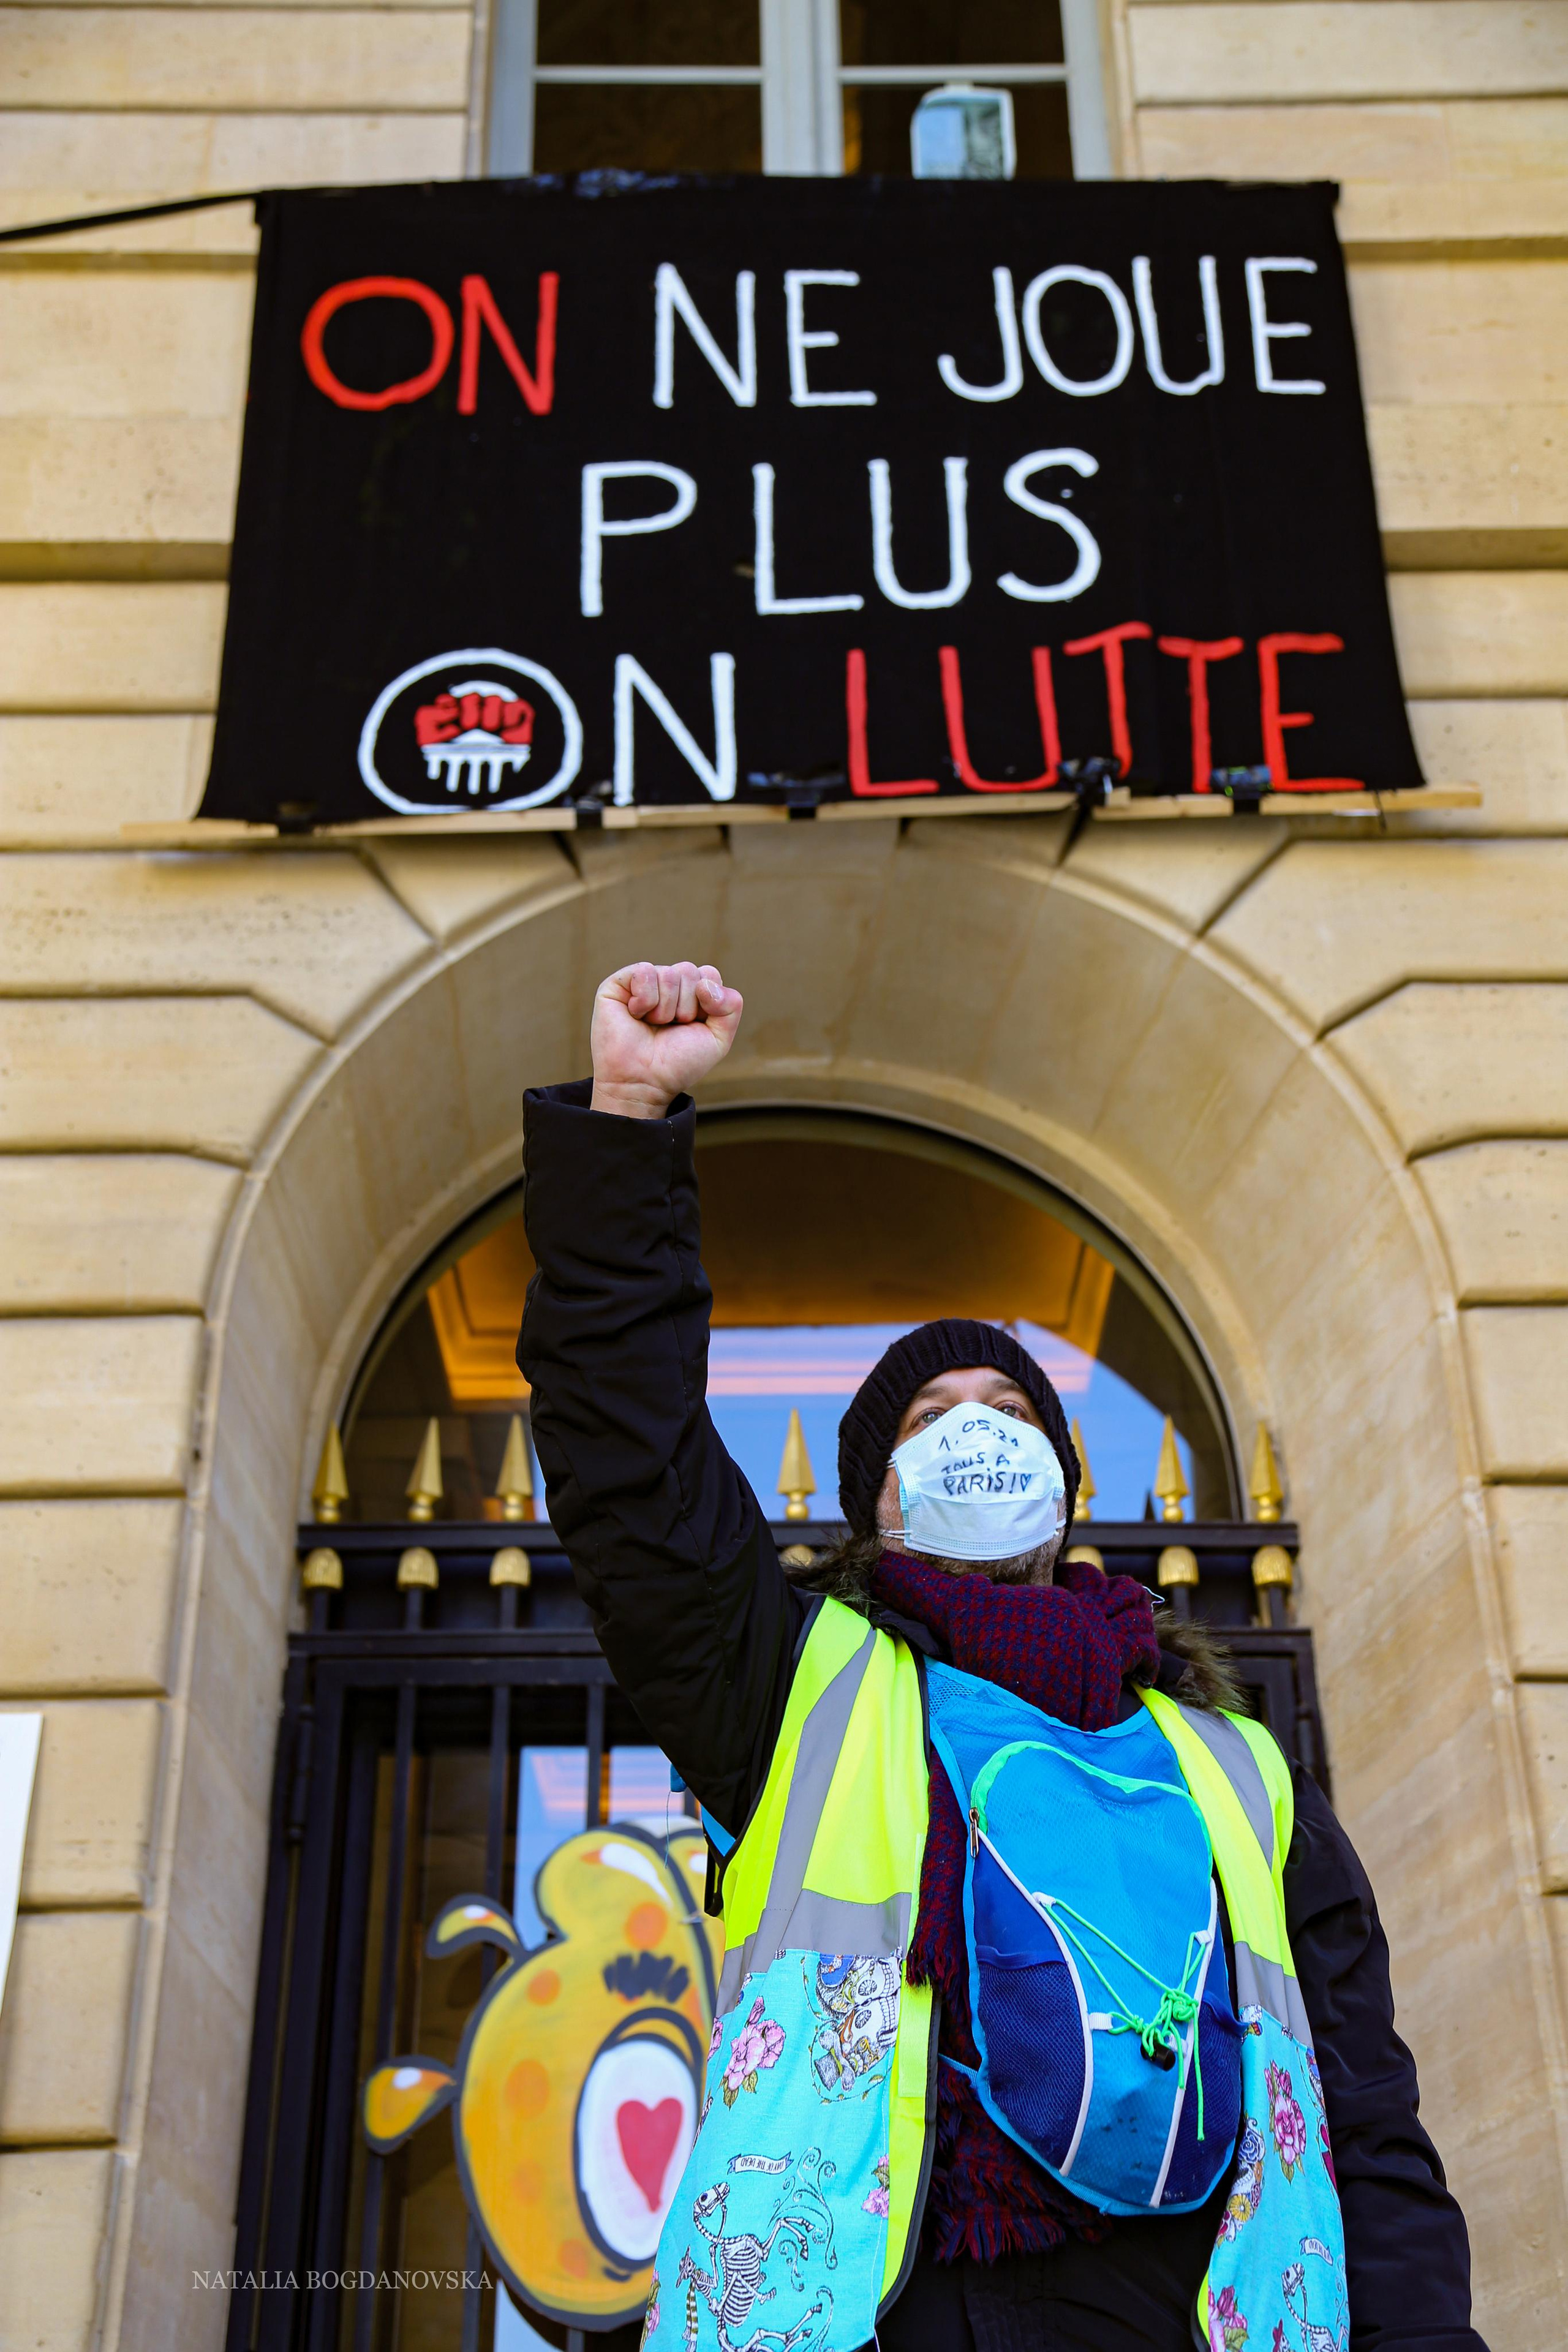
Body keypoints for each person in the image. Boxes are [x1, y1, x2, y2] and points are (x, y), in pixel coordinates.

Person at [517, 959, 1487, 2352]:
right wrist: (622, 1122)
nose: (974, 1427)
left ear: (1058, 1476)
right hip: (872, 2305)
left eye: (1006, 1405)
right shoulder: (795, 1687)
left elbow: (1365, 2123)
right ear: (877, 1503)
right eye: (928, 1417)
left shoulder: (1237, 1770)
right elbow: (632, 1465)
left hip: (1180, 2317)